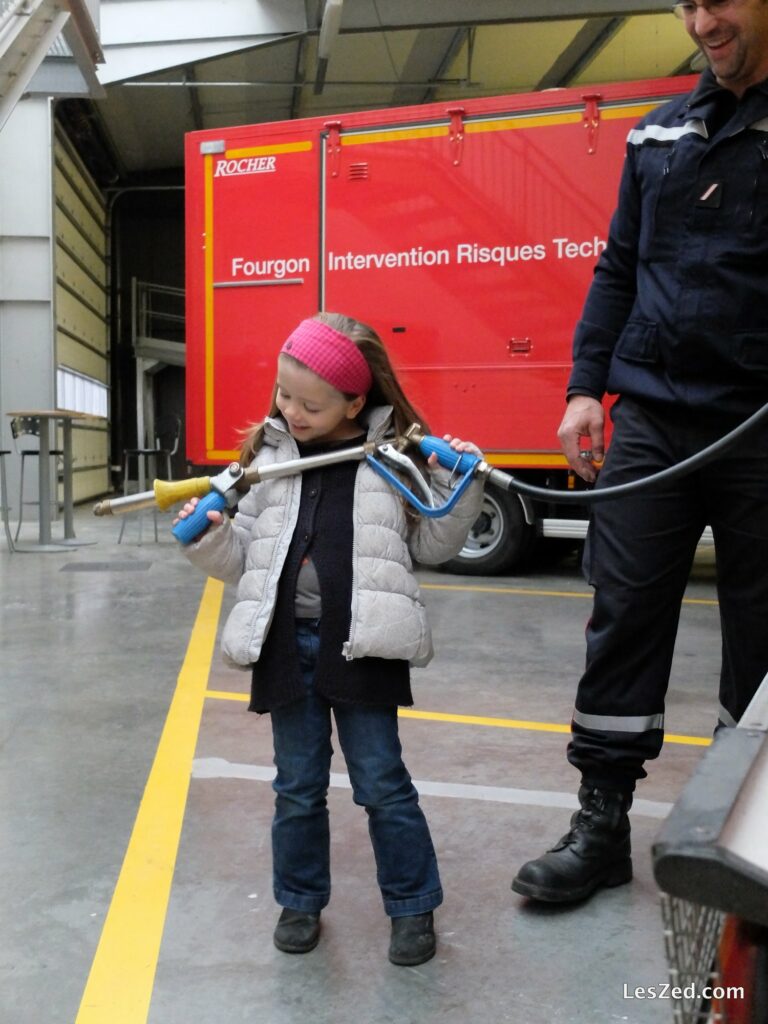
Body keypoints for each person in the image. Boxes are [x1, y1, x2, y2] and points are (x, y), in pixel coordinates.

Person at [512, 0, 768, 904]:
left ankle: (750, 838)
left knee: (764, 639)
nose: (704, 20)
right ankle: (601, 823)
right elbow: (619, 266)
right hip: (655, 419)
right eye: (689, 4)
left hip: (759, 424)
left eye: (721, 0)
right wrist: (588, 388)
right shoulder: (658, 135)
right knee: (622, 615)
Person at [176, 312, 484, 962]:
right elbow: (243, 560)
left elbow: (432, 540)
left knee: (381, 783)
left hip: (361, 643)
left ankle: (412, 907)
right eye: (285, 396)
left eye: (310, 404)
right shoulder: (268, 459)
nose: (291, 411)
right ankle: (299, 900)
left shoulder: (390, 458)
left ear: (355, 401)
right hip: (288, 644)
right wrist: (208, 538)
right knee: (296, 786)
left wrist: (464, 487)